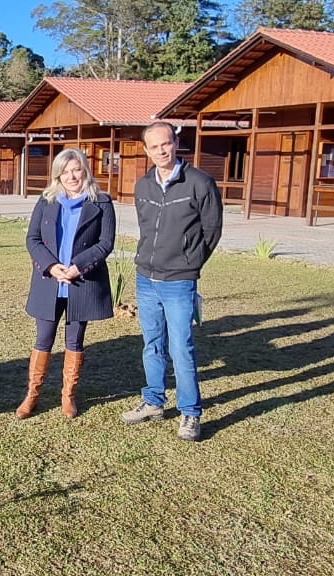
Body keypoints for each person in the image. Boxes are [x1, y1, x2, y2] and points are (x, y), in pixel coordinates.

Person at [120, 122, 223, 441]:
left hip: (179, 281)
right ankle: (153, 401)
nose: (161, 151)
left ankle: (190, 413)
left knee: (181, 347)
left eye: (166, 144)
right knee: (152, 344)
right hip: (146, 278)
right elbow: (146, 228)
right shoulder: (143, 185)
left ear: (176, 143)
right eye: (154, 147)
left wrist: (190, 262)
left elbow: (212, 230)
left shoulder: (200, 182)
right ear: (146, 150)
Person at [18, 147, 116, 420]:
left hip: (80, 282)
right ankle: (32, 395)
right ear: (57, 175)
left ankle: (68, 395)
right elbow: (32, 239)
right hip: (50, 281)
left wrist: (78, 267)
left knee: (75, 339)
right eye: (65, 172)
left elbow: (105, 243)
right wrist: (51, 266)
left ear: (85, 170)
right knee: (44, 338)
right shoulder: (46, 201)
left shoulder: (102, 202)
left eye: (76, 170)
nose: (72, 176)